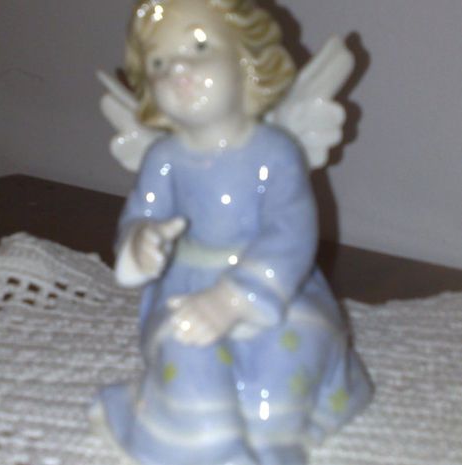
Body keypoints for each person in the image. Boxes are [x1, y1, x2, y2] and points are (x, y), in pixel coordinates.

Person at [91, 1, 372, 464]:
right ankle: (210, 446)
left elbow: (291, 232)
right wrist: (141, 243)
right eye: (158, 62)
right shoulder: (164, 159)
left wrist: (233, 299)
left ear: (247, 59)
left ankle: (272, 439)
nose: (178, 68)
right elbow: (139, 215)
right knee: (190, 356)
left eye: (199, 47)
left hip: (274, 288)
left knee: (286, 363)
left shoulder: (276, 152)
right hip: (186, 289)